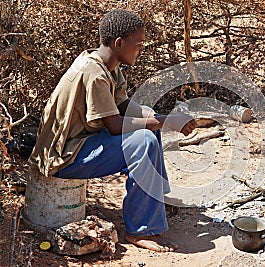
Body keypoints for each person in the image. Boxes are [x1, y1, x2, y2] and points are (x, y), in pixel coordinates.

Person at [29, 9, 196, 252]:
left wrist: (160, 117)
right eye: (138, 44)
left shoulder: (106, 65)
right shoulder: (94, 74)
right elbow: (116, 126)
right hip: (64, 158)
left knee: (150, 125)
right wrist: (166, 121)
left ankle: (154, 202)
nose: (140, 50)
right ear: (119, 43)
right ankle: (141, 231)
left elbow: (123, 105)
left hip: (82, 143)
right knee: (144, 142)